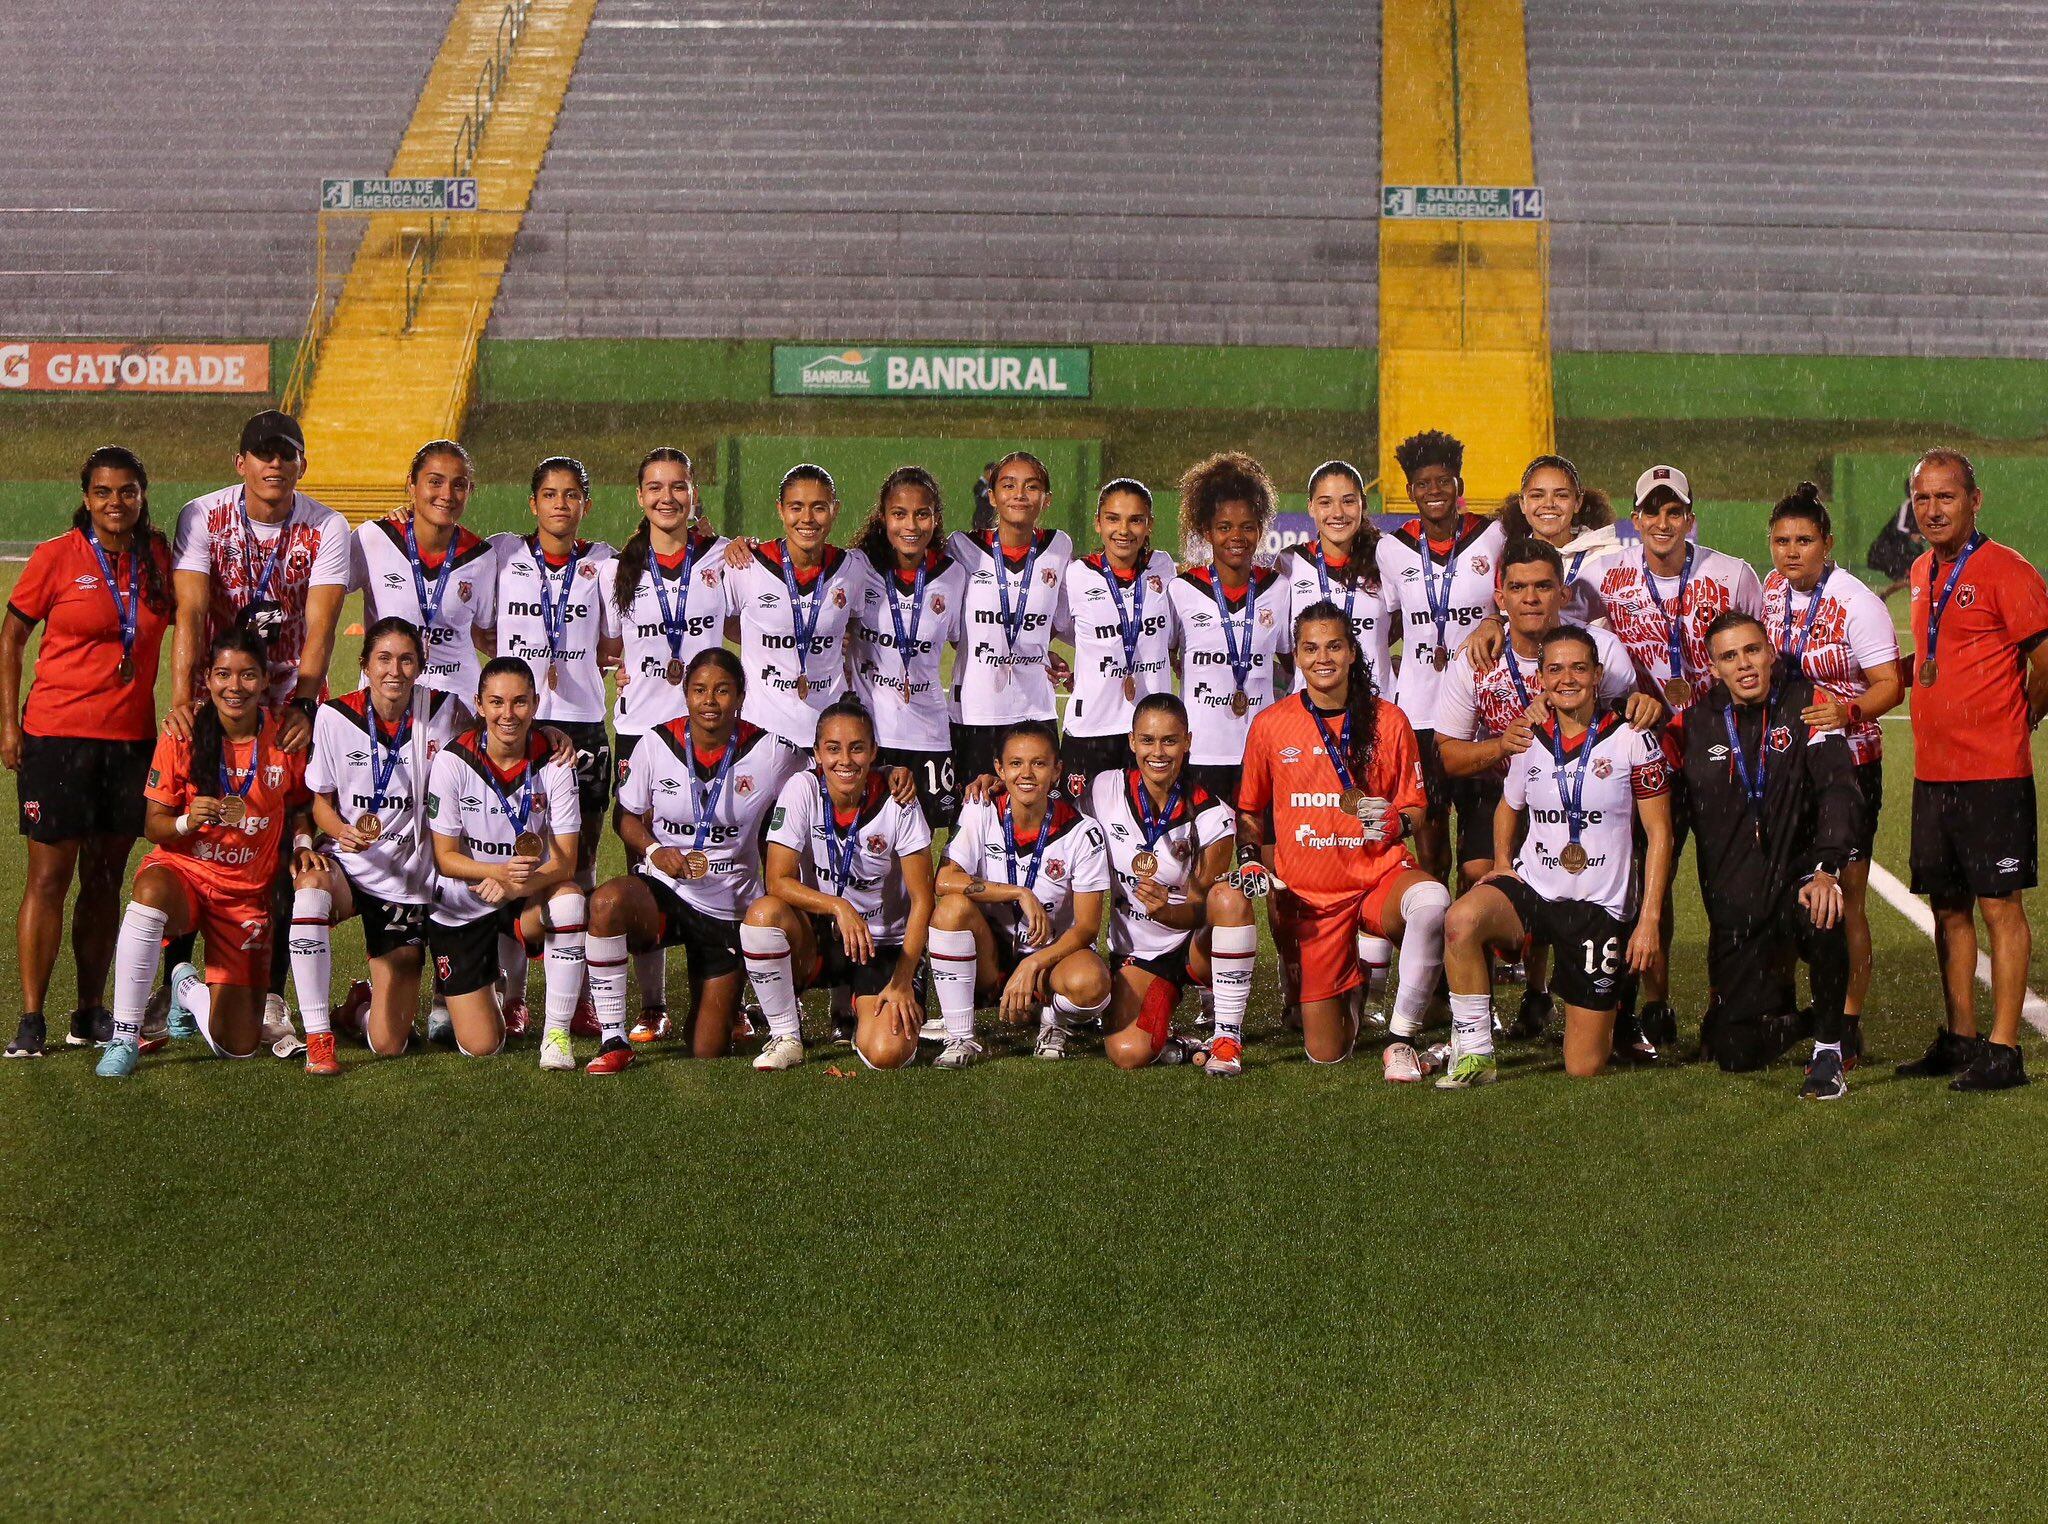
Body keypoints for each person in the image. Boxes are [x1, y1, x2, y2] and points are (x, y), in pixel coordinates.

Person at [166, 409, 351, 1052]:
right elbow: (191, 609)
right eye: (261, 454)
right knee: (201, 828)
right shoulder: (202, 514)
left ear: (303, 464)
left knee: (273, 841)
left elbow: (322, 623)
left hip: (285, 705)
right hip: (219, 698)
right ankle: (176, 986)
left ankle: (270, 991)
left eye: (286, 454)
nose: (274, 465)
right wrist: (185, 701)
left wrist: (301, 702)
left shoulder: (326, 524)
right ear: (239, 462)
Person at [1435, 539, 1664, 1033]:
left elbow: (1626, 712)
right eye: (1518, 588)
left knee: (1617, 877)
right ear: (1501, 598)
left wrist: (1645, 705)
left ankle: (1624, 1010)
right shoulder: (1475, 657)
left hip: (1584, 793)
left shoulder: (1598, 648)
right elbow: (1447, 754)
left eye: (1543, 586)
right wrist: (1503, 746)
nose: (1532, 598)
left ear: (1562, 592)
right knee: (1480, 878)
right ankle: (1484, 1018)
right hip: (1500, 787)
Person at [1224, 601, 1447, 1078]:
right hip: (1314, 898)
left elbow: (1418, 809)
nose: (1322, 658)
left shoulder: (1390, 721)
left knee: (1431, 902)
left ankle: (1401, 1039)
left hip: (1377, 879)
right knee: (1326, 1052)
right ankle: (1355, 978)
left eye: (1333, 646)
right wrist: (1248, 858)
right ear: (1297, 658)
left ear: (1351, 653)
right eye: (1310, 648)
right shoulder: (1271, 725)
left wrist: (1397, 825)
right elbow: (1250, 810)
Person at [2, 447, 176, 1058]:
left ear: (142, 494)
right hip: (56, 738)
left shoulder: (158, 559)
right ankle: (30, 1017)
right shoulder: (57, 557)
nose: (115, 503)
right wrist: (9, 725)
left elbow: (195, 620)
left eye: (127, 491)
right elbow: (12, 637)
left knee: (104, 880)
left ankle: (89, 1010)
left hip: (130, 743)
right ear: (86, 497)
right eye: (103, 492)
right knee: (49, 879)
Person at [1593, 464, 1762, 1052]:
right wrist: (1489, 620)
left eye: (1674, 511)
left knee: (1728, 886)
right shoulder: (1600, 575)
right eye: (1651, 511)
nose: (1663, 523)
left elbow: (1759, 656)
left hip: (1720, 749)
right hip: (1642, 750)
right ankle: (1654, 1007)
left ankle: (1731, 1004)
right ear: (1634, 517)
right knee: (1644, 886)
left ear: (1690, 517)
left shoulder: (1733, 574)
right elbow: (1548, 618)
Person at [95, 628, 314, 1076]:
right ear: (208, 679)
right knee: (150, 893)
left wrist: (304, 843)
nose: (235, 687)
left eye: (248, 675)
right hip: (187, 875)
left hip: (244, 898)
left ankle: (186, 988)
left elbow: (301, 806)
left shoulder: (284, 738)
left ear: (265, 681)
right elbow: (153, 824)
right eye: (223, 674)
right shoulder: (184, 732)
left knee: (238, 1046)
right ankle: (124, 1037)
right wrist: (185, 821)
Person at [1899, 448, 2048, 1092]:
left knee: (1998, 907)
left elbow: (2047, 664)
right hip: (1934, 771)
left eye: (1946, 497)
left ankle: (2004, 1048)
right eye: (1923, 499)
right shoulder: (1919, 570)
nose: (1933, 510)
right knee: (1949, 907)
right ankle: (1961, 1036)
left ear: (1974, 500)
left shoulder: (2006, 570)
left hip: (1992, 771)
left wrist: (2020, 721)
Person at [588, 650, 806, 1060]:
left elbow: (825, 772)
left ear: (741, 697)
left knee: (707, 1048)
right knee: (605, 903)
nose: (710, 701)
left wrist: (887, 774)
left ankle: (735, 1002)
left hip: (729, 903)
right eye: (699, 690)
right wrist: (654, 849)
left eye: (722, 691)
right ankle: (613, 1038)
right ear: (685, 695)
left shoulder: (772, 750)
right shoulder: (655, 742)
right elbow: (626, 817)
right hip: (668, 890)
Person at [1684, 613, 1863, 1095]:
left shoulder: (1808, 704)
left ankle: (1829, 1050)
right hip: (1739, 905)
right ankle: (1806, 1020)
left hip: (1798, 884)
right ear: (1714, 666)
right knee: (1734, 1054)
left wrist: (1826, 869)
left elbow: (1839, 790)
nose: (1744, 664)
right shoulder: (1698, 723)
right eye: (1729, 656)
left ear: (1769, 650)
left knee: (1825, 916)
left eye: (1752, 650)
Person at [1760, 482, 1903, 1062]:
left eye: (1804, 540)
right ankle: (1789, 1008)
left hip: (1847, 767)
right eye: (1781, 541)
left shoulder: (1855, 601)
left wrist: (1848, 711)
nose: (1792, 552)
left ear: (1828, 543)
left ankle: (1846, 1022)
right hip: (1785, 765)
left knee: (1846, 896)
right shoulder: (1770, 591)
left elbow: (1891, 683)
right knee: (1782, 889)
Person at [291, 618, 470, 1074]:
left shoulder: (447, 711)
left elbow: (498, 741)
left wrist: (553, 736)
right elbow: (321, 804)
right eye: (384, 659)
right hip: (352, 868)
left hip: (410, 880)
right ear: (365, 665)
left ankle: (357, 1009)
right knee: (310, 885)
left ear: (421, 665)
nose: (395, 670)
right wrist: (340, 830)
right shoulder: (334, 715)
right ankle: (318, 1037)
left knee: (390, 1043)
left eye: (406, 659)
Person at [741, 698, 936, 1071]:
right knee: (763, 914)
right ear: (816, 753)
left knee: (886, 1053)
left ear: (874, 752)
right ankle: (786, 1035)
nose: (845, 760)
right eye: (833, 749)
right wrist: (837, 906)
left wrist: (901, 981)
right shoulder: (802, 788)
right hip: (823, 935)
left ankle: (855, 1004)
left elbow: (923, 899)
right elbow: (777, 879)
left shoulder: (899, 802)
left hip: (882, 943)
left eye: (857, 748)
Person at [609, 447, 732, 1037]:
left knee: (731, 850)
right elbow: (598, 643)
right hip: (643, 733)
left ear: (693, 494)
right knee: (647, 863)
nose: (667, 497)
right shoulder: (615, 570)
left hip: (711, 728)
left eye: (678, 487)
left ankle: (736, 990)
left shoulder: (726, 562)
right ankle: (653, 1003)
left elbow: (750, 628)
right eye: (654, 487)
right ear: (639, 497)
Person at [424, 657, 593, 1069]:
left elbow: (567, 862)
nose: (508, 714)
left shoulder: (555, 762)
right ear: (479, 705)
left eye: (519, 702)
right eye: (496, 702)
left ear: (535, 704)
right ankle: (481, 987)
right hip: (464, 902)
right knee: (481, 1046)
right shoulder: (452, 761)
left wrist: (514, 886)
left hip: (522, 894)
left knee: (569, 900)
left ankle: (556, 1034)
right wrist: (495, 873)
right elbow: (446, 859)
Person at [929, 721, 1113, 1067]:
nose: (1026, 774)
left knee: (1092, 984)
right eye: (1015, 763)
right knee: (951, 910)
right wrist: (1018, 892)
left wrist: (1032, 964)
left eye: (1039, 763)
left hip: (1051, 960)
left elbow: (1087, 928)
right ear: (999, 768)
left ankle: (1051, 1018)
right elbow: (944, 881)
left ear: (1057, 770)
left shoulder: (1083, 832)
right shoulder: (980, 808)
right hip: (991, 957)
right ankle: (959, 1037)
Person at [1375, 430, 1506, 883]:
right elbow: (1387, 622)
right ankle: (1431, 951)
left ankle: (1469, 947)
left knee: (1479, 860)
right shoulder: (1391, 549)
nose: (1434, 491)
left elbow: (1512, 602)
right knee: (1431, 854)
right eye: (1424, 484)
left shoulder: (1493, 537)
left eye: (1444, 481)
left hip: (1478, 713)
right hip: (1418, 713)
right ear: (1410, 491)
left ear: (1460, 485)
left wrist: (1498, 622)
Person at [490, 456, 620, 893]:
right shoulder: (502, 552)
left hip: (582, 723)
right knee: (512, 845)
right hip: (516, 721)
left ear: (587, 504)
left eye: (571, 495)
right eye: (549, 494)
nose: (560, 504)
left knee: (581, 851)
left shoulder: (604, 561)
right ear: (532, 503)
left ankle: (579, 949)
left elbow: (616, 637)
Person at [1091, 695, 1235, 1069]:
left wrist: (1166, 911)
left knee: (1231, 900)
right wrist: (993, 786)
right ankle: (1183, 1045)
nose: (1158, 752)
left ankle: (1227, 1034)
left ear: (1187, 741)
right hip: (1138, 952)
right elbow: (1049, 812)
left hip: (1193, 947)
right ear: (1132, 741)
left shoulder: (1212, 816)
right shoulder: (1103, 790)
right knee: (1129, 1053)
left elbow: (1204, 911)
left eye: (1170, 740)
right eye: (1148, 740)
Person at [724, 465, 879, 758]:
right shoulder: (746, 566)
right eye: (796, 507)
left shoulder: (853, 568)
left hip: (828, 735)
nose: (807, 519)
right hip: (760, 733)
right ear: (780, 510)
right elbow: (726, 623)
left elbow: (854, 622)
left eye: (819, 507)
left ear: (835, 510)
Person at [847, 466, 968, 826]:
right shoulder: (858, 568)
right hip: (871, 733)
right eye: (899, 514)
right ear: (883, 518)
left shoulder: (953, 575)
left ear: (936, 518)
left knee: (920, 846)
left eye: (922, 514)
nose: (911, 526)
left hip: (928, 734)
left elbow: (970, 640)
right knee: (867, 844)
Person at [1169, 452, 1292, 807]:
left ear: (1260, 530)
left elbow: (1288, 662)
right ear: (1207, 531)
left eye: (1247, 527)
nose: (1236, 537)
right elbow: (1164, 657)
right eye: (1224, 527)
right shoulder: (1183, 590)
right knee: (1205, 856)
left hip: (1261, 748)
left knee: (1263, 852)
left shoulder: (1278, 588)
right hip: (1202, 749)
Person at [947, 452, 1075, 793]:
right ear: (992, 496)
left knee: (1036, 814)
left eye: (1031, 487)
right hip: (977, 712)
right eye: (1008, 485)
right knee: (975, 814)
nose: (1020, 494)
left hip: (1035, 706)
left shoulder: (1059, 547)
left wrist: (1049, 652)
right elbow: (950, 629)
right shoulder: (961, 548)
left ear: (1046, 499)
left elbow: (1061, 621)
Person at [1057, 478, 1178, 804]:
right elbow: (1048, 628)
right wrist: (1047, 659)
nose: (1123, 530)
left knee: (1150, 836)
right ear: (1098, 523)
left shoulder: (1165, 569)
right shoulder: (1076, 576)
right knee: (1082, 837)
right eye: (1113, 518)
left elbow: (1176, 633)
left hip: (1152, 733)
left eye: (1135, 520)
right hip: (1091, 730)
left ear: (1149, 523)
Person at [351, 440, 497, 700]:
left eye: (459, 485)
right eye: (435, 481)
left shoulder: (482, 557)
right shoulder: (374, 538)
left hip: (458, 701)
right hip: (386, 697)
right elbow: (324, 595)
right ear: (412, 483)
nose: (447, 495)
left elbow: (482, 629)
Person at [1276, 460, 1393, 693]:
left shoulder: (1385, 559)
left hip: (1375, 705)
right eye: (1325, 502)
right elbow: (1284, 645)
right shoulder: (1290, 562)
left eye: (1348, 501)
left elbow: (1402, 625)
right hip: (1309, 709)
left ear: (1363, 504)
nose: (1337, 513)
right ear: (1310, 507)